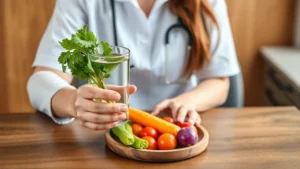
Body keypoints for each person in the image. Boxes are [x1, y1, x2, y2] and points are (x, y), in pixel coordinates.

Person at [27, 0, 240, 130]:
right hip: (106, 134)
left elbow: (219, 80)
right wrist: (74, 102)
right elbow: (41, 80)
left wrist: (187, 101)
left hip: (174, 128)